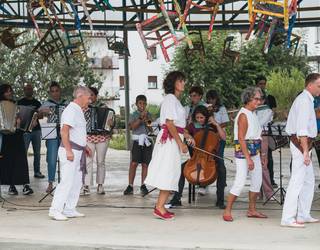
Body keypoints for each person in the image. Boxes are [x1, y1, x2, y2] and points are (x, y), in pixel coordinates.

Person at [144, 71, 194, 220]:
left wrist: (187, 136)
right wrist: (181, 143)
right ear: (173, 83)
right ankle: (159, 207)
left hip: (173, 138)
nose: (183, 83)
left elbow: (177, 125)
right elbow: (169, 123)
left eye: (183, 81)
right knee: (168, 171)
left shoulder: (174, 100)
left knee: (171, 171)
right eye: (180, 81)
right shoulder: (170, 99)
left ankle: (160, 206)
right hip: (170, 140)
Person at [280, 73, 320, 228]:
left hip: (304, 145)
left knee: (309, 180)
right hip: (300, 145)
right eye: (318, 85)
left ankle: (303, 214)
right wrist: (305, 151)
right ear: (310, 85)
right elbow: (301, 130)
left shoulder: (308, 100)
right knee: (297, 180)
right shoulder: (304, 101)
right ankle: (288, 218)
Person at [167, 105, 226, 208]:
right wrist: (189, 136)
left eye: (202, 118)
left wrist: (216, 124)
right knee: (181, 169)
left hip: (211, 158)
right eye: (197, 118)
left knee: (222, 169)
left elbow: (223, 137)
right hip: (196, 158)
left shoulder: (212, 126)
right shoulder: (192, 126)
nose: (199, 120)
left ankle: (220, 200)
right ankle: (176, 198)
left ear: (206, 117)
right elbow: (183, 132)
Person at [223, 86, 267, 222]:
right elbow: (241, 138)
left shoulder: (253, 114)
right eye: (256, 99)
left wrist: (262, 155)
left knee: (257, 181)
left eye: (260, 99)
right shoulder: (243, 115)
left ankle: (252, 210)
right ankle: (227, 211)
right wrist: (248, 159)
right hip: (244, 152)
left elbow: (258, 137)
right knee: (240, 181)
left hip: (255, 151)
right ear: (248, 99)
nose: (259, 102)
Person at [49, 86, 92, 221]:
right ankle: (55, 210)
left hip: (78, 150)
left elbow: (76, 132)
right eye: (88, 97)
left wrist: (84, 146)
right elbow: (64, 131)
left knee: (76, 182)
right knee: (66, 181)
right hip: (70, 151)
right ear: (80, 96)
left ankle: (69, 209)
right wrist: (68, 150)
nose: (90, 100)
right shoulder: (71, 109)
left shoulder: (78, 110)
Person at [0, 84, 33, 195]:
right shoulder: (1, 104)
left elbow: (18, 119)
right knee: (8, 161)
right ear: (2, 93)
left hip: (16, 134)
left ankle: (25, 185)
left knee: (21, 160)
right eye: (7, 91)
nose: (9, 93)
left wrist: (19, 120)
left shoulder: (15, 104)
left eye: (10, 91)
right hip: (5, 136)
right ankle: (11, 186)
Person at [82, 87, 111, 195]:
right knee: (88, 161)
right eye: (88, 94)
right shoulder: (83, 107)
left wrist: (110, 122)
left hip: (102, 138)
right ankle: (86, 186)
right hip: (88, 137)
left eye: (92, 95)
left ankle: (100, 185)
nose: (90, 97)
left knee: (100, 161)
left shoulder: (103, 107)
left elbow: (109, 124)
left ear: (96, 96)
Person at [41, 81, 68, 193]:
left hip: (65, 134)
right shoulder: (47, 103)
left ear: (60, 91)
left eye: (57, 91)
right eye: (52, 91)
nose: (55, 93)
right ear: (50, 93)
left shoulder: (66, 103)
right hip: (52, 134)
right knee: (52, 160)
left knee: (66, 159)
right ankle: (50, 183)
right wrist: (42, 111)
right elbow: (37, 114)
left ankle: (65, 182)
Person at [123, 95, 153, 196]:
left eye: (144, 103)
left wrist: (147, 121)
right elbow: (132, 127)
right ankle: (130, 185)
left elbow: (151, 129)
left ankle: (143, 185)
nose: (142, 105)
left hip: (146, 141)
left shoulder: (148, 115)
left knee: (145, 164)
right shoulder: (133, 115)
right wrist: (140, 119)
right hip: (136, 141)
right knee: (134, 163)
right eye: (140, 103)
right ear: (136, 104)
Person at [206, 89, 230, 208]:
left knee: (220, 164)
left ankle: (220, 198)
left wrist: (216, 126)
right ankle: (203, 183)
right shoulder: (205, 107)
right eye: (209, 99)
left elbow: (226, 122)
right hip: (206, 139)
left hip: (219, 138)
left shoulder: (222, 109)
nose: (211, 101)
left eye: (213, 98)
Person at [17, 83, 45, 179]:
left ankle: (37, 172)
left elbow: (41, 116)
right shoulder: (20, 102)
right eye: (27, 89)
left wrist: (37, 114)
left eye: (30, 89)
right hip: (24, 131)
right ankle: (22, 172)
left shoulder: (37, 103)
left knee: (37, 152)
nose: (29, 90)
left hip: (36, 130)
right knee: (23, 152)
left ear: (33, 90)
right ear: (24, 90)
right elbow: (17, 115)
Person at [256, 75, 278, 188]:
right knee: (256, 159)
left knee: (268, 157)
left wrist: (268, 113)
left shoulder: (270, 98)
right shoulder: (253, 101)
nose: (263, 86)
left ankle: (270, 180)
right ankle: (259, 184)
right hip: (255, 135)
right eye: (260, 84)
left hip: (266, 132)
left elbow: (274, 113)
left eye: (264, 83)